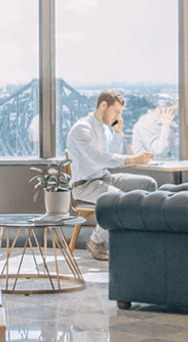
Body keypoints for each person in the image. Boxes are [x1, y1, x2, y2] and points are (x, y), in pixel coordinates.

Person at [67, 89, 157, 261]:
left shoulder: (105, 129)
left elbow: (112, 157)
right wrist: (132, 159)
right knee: (117, 198)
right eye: (116, 112)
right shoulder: (82, 128)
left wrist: (117, 132)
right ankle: (95, 241)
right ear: (103, 105)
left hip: (104, 177)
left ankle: (143, 235)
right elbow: (98, 158)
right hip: (85, 185)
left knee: (148, 184)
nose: (117, 116)